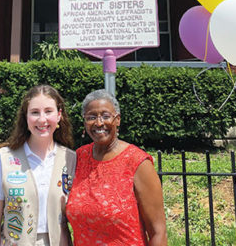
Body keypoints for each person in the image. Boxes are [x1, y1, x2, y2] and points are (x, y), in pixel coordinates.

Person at [66, 89, 167, 246]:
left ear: (117, 120)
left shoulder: (138, 162)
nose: (99, 123)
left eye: (106, 116)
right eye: (91, 117)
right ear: (84, 122)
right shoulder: (79, 157)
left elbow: (158, 231)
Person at [0, 85, 76, 246]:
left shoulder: (70, 159)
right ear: (26, 117)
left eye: (48, 111)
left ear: (59, 115)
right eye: (34, 112)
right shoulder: (5, 158)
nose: (42, 119)